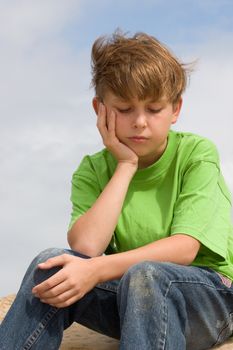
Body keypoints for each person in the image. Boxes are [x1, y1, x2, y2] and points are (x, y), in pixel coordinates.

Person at [0, 30, 233, 350]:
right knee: (51, 263)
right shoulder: (93, 169)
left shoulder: (196, 154)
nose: (139, 121)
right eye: (124, 109)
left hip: (211, 298)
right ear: (100, 109)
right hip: (135, 300)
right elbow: (86, 247)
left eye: (154, 109)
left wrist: (96, 269)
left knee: (147, 274)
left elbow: (185, 249)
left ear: (175, 109)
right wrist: (125, 166)